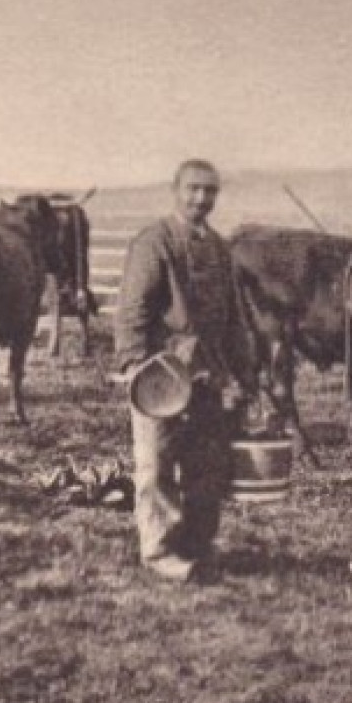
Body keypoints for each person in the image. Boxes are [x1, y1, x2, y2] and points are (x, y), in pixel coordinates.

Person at [114, 159, 255, 583]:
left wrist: (242, 376)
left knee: (206, 465)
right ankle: (158, 552)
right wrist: (136, 364)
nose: (201, 198)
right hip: (161, 373)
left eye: (209, 191)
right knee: (155, 463)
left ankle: (196, 546)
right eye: (193, 189)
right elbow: (132, 311)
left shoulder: (218, 248)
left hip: (208, 375)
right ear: (175, 191)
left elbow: (233, 320)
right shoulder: (154, 242)